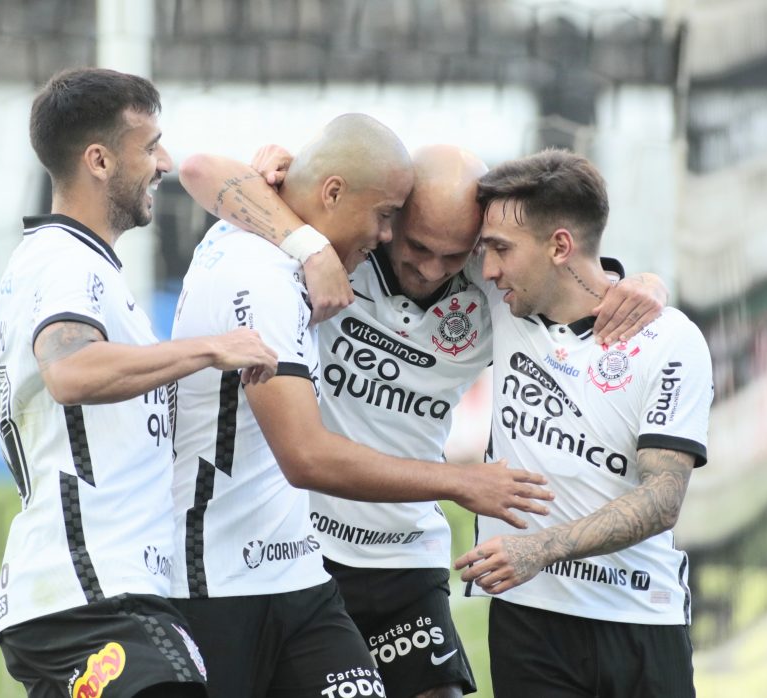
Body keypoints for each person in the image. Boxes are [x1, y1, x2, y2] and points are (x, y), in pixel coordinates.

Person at [182, 139, 667, 698]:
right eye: (417, 245)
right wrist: (310, 247)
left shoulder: (492, 287)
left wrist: (644, 284)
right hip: (301, 547)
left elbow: (575, 280)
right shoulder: (341, 246)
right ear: (391, 214)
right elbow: (202, 169)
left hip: (404, 554)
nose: (430, 268)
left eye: (455, 254)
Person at [0, 67, 279, 698]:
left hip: (87, 592)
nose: (164, 162)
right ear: (98, 159)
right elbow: (70, 371)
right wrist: (210, 347)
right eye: (148, 146)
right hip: (92, 593)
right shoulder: (65, 262)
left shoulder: (76, 265)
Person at [455, 149, 713, 697]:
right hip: (530, 622)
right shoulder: (505, 304)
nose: (488, 269)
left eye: (501, 249)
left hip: (643, 619)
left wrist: (539, 548)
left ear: (560, 246)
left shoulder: (670, 340)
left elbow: (663, 499)